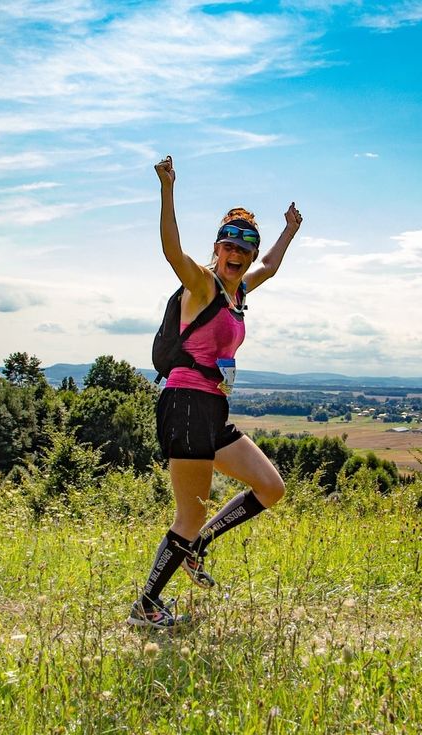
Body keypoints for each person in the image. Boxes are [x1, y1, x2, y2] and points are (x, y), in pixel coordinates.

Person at [128, 155, 303, 629]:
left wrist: (289, 231)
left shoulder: (239, 291)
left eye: (243, 252)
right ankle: (146, 606)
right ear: (218, 248)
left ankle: (199, 546)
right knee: (190, 512)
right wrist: (167, 189)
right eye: (229, 247)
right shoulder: (202, 284)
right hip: (183, 403)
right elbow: (171, 251)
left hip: (212, 408)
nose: (236, 256)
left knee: (270, 487)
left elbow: (271, 265)